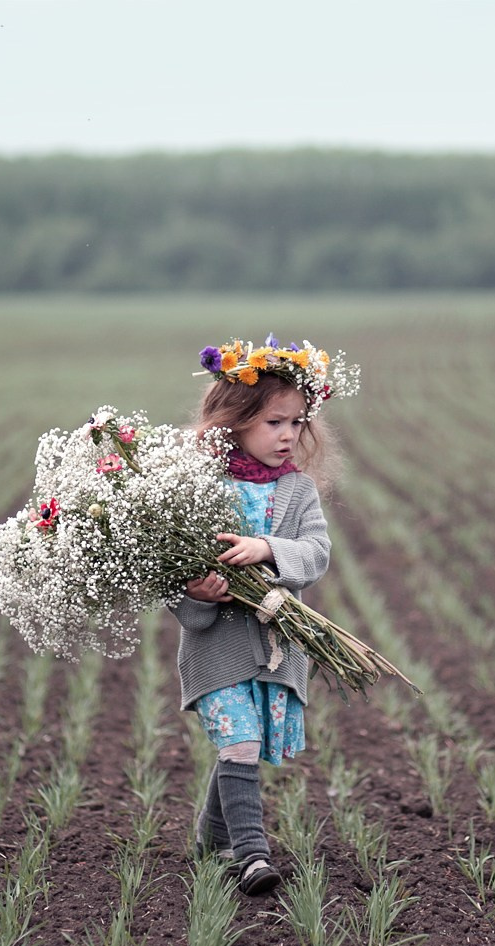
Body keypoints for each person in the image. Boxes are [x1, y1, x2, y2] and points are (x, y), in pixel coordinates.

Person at [170, 335, 358, 895]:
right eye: (275, 422)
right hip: (217, 649)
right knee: (240, 743)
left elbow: (317, 553)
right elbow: (172, 577)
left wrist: (267, 549)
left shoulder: (298, 491)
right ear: (237, 420)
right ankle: (251, 856)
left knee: (242, 742)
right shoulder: (198, 489)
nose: (288, 435)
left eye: (297, 423)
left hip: (278, 646)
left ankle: (211, 839)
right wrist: (200, 595)